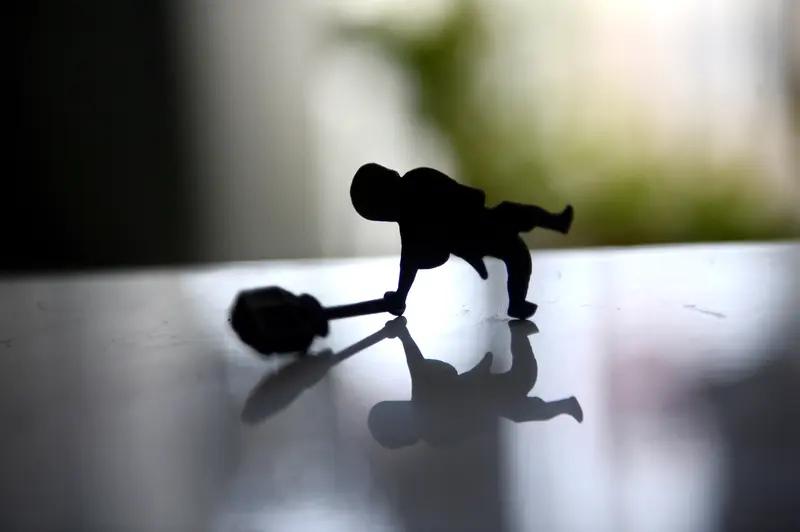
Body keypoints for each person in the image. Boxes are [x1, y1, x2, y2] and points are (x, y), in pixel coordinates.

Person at [350, 163, 573, 319]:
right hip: (474, 231)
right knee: (516, 249)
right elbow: (411, 261)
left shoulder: (417, 185)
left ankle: (556, 223)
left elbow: (411, 262)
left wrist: (400, 296)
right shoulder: (414, 202)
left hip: (475, 224)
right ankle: (517, 302)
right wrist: (400, 296)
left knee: (516, 235)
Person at [368, 318, 583, 448]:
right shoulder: (432, 433)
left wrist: (403, 334)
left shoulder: (425, 404)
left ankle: (519, 333)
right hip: (487, 402)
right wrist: (402, 334)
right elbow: (461, 433)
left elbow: (416, 363)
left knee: (524, 379)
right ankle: (566, 405)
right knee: (523, 407)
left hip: (484, 392)